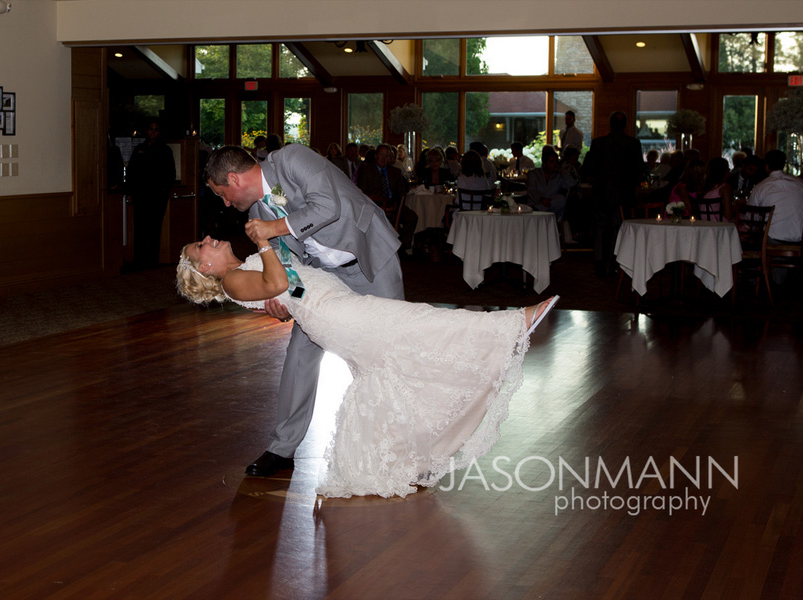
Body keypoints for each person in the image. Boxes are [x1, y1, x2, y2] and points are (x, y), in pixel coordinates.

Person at [176, 232, 559, 498]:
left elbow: (287, 286)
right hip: (335, 314)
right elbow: (278, 284)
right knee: (420, 323)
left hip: (333, 307)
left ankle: (408, 456)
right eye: (201, 246)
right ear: (206, 269)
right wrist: (263, 243)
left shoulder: (243, 268)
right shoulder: (232, 281)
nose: (208, 240)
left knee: (395, 366)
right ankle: (512, 324)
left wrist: (270, 248)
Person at [203, 144, 405, 478]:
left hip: (370, 258)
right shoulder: (256, 215)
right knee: (300, 352)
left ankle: (406, 447)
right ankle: (282, 448)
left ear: (235, 179)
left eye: (222, 193)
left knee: (388, 351)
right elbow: (289, 269)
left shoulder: (292, 159)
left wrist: (274, 229)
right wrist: (290, 302)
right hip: (326, 278)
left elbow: (328, 205)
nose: (225, 203)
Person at [580, 111, 644, 276]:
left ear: (610, 124)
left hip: (601, 193)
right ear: (625, 125)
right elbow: (639, 172)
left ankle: (600, 262)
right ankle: (614, 261)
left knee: (600, 228)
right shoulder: (633, 144)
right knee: (617, 229)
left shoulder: (598, 143)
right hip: (623, 195)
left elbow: (588, 168)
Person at [126, 119, 176, 269]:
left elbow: (170, 174)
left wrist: (162, 192)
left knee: (154, 228)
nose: (153, 132)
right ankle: (138, 260)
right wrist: (130, 191)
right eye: (150, 129)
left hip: (156, 197)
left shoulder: (165, 150)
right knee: (139, 228)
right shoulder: (139, 149)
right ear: (146, 131)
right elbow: (131, 172)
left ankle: (151, 261)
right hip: (140, 195)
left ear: (159, 132)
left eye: (156, 130)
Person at [356, 144, 418, 253]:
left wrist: (395, 205)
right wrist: (379, 204)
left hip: (393, 207)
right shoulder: (366, 170)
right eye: (381, 155)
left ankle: (400, 246)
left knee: (411, 216)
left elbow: (402, 193)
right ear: (376, 156)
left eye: (387, 156)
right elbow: (362, 192)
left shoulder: (395, 172)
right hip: (374, 206)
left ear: (390, 158)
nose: (384, 158)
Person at [748, 149, 803, 245]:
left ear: (766, 166)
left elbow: (750, 219)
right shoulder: (800, 183)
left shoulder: (761, 187)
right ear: (783, 165)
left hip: (772, 240)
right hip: (801, 240)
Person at [525, 147, 576, 221]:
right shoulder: (534, 174)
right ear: (544, 163)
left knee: (561, 199)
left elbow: (571, 184)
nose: (554, 164)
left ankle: (541, 209)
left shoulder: (559, 176)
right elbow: (531, 190)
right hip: (535, 205)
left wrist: (561, 171)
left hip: (551, 208)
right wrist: (542, 200)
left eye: (556, 162)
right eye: (551, 162)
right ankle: (539, 209)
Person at [699, 157, 735, 221]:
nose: (729, 169)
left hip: (704, 224)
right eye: (727, 167)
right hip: (719, 225)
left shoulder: (705, 188)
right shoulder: (725, 188)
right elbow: (728, 216)